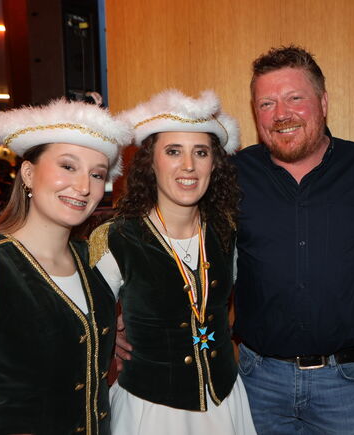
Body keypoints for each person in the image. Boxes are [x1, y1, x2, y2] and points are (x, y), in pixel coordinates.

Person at [114, 45, 354, 434]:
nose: (281, 114)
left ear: (323, 102)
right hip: (256, 380)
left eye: (295, 98)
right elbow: (172, 238)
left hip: (348, 382)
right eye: (267, 103)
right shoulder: (228, 175)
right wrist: (133, 312)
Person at [88, 89, 256, 434]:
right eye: (173, 151)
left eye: (201, 152)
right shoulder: (115, 239)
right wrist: (109, 337)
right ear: (151, 161)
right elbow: (84, 329)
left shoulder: (227, 231)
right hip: (152, 411)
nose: (189, 165)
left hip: (225, 403)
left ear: (214, 163)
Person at [0, 99, 132, 434]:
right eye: (68, 166)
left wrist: (108, 335)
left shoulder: (94, 261)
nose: (83, 187)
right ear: (28, 173)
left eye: (96, 174)